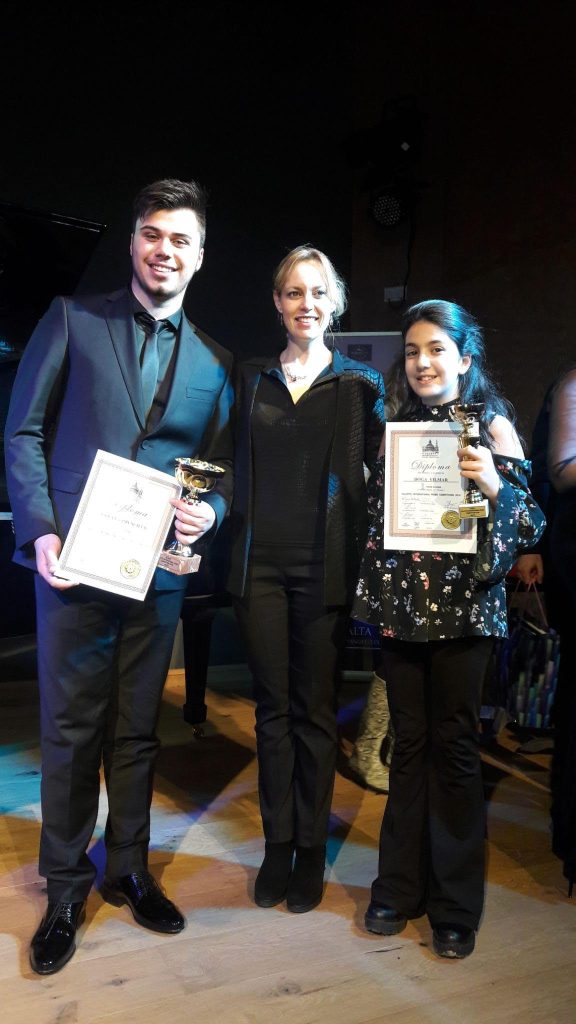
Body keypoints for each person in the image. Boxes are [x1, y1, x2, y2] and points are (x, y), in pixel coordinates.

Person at [5, 178, 234, 974]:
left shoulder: (214, 361)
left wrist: (212, 515)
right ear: (135, 242)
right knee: (70, 733)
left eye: (181, 240)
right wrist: (39, 529)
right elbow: (23, 431)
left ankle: (128, 868)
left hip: (156, 575)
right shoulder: (73, 318)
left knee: (137, 731)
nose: (165, 250)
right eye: (153, 234)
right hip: (71, 564)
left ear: (199, 257)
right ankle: (67, 886)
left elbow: (220, 471)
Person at [353, 299, 545, 958]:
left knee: (456, 752)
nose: (423, 362)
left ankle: (455, 905)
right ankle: (397, 887)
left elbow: (531, 526)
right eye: (412, 351)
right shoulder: (397, 428)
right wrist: (376, 603)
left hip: (467, 613)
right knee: (408, 748)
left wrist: (494, 484)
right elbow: (380, 527)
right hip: (405, 612)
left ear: (465, 358)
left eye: (436, 349)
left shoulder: (492, 426)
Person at [228, 245, 386, 913]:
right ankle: (277, 846)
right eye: (294, 292)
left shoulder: (360, 385)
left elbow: (388, 472)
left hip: (326, 570)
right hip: (259, 566)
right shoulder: (249, 377)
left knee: (315, 714)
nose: (307, 304)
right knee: (272, 712)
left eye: (318, 292)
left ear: (335, 302)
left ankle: (312, 851)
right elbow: (223, 462)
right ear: (277, 302)